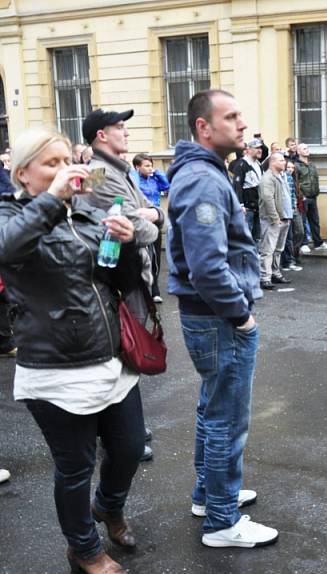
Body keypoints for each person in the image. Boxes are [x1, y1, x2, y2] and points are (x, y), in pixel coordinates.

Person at [1, 127, 139, 574]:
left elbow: (111, 278)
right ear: (23, 173)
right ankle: (83, 547)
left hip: (110, 356)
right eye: (51, 164)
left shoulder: (82, 212)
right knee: (75, 468)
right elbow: (8, 249)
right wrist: (50, 201)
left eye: (68, 162)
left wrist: (126, 242)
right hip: (56, 367)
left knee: (129, 448)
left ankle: (109, 507)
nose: (66, 171)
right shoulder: (9, 214)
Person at [167, 89, 277, 549]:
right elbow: (207, 267)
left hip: (211, 317)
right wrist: (242, 316)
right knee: (226, 419)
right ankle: (221, 520)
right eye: (231, 116)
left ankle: (209, 496)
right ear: (203, 128)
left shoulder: (206, 173)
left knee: (214, 409)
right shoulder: (203, 180)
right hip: (219, 319)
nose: (243, 124)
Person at [83, 108, 163, 463]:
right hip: (117, 274)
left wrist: (153, 216)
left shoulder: (120, 169)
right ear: (101, 135)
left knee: (128, 352)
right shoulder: (100, 174)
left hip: (132, 270)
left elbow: (151, 210)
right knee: (122, 351)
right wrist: (152, 222)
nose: (126, 132)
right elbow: (135, 224)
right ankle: (117, 436)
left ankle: (131, 424)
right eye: (119, 127)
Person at [131, 153, 170, 303]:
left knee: (155, 255)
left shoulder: (154, 179)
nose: (150, 168)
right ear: (137, 167)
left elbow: (167, 185)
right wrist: (135, 173)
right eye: (146, 165)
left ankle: (155, 289)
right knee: (140, 255)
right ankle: (140, 287)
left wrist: (158, 173)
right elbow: (134, 188)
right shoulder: (134, 178)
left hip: (155, 219)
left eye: (151, 165)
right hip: (140, 219)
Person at [258, 152, 293, 290]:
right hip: (273, 219)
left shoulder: (282, 176)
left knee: (278, 249)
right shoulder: (267, 178)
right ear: (273, 162)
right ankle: (265, 277)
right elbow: (268, 199)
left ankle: (275, 273)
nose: (284, 162)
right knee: (268, 249)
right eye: (281, 160)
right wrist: (275, 218)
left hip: (285, 217)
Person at [295, 143, 327, 253]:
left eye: (307, 148)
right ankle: (303, 243)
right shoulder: (296, 166)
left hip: (313, 196)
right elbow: (296, 182)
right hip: (303, 198)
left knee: (315, 220)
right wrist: (300, 196)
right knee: (303, 221)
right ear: (298, 152)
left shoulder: (311, 165)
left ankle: (318, 242)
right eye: (304, 149)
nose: (307, 150)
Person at [232, 139, 264, 243]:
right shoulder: (241, 165)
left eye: (261, 148)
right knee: (247, 237)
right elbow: (237, 185)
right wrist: (240, 204)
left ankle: (256, 258)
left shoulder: (258, 164)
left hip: (258, 206)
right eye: (257, 148)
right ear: (248, 150)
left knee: (257, 237)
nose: (260, 150)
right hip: (247, 207)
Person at [280, 159, 304, 272]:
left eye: (292, 168)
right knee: (287, 236)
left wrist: (294, 205)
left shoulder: (292, 178)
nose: (290, 170)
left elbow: (293, 193)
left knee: (300, 231)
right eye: (288, 167)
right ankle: (288, 260)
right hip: (285, 210)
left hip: (293, 208)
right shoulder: (282, 177)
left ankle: (293, 254)